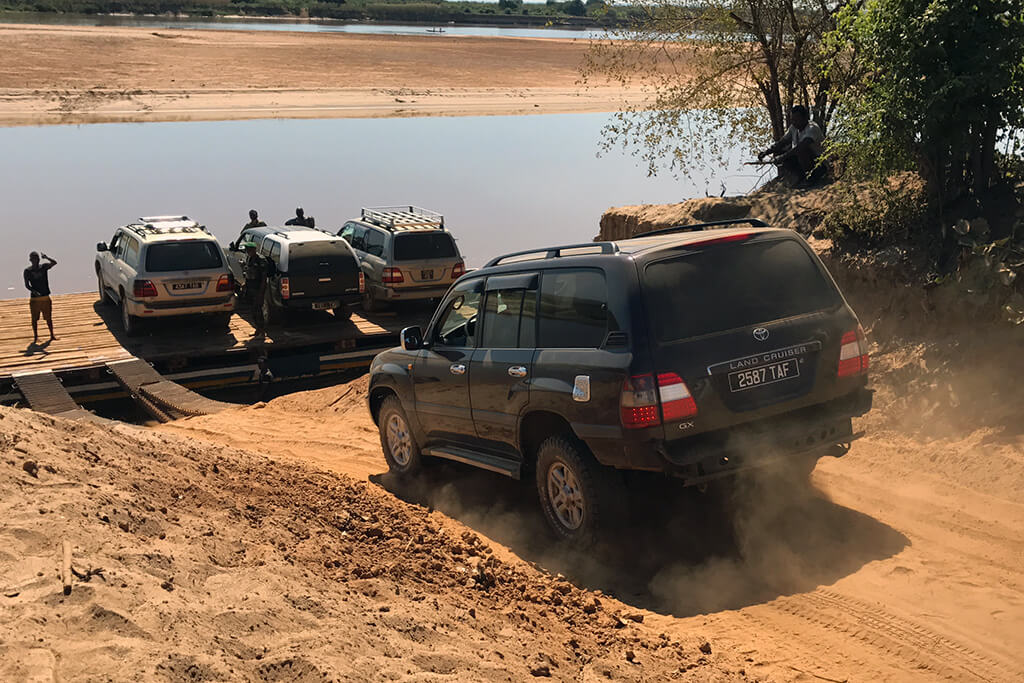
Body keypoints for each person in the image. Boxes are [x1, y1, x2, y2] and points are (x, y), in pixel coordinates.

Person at [758, 105, 826, 186]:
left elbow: (800, 148)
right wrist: (767, 152)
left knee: (801, 151)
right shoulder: (793, 128)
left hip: (819, 164)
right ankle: (798, 176)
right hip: (803, 161)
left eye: (797, 119)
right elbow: (782, 142)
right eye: (792, 119)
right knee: (779, 150)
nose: (794, 122)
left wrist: (782, 157)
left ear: (805, 118)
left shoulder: (812, 129)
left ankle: (811, 178)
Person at [24, 251, 57, 343]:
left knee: (48, 317)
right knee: (34, 318)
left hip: (45, 296)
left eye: (37, 259)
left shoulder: (43, 267)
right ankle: (36, 337)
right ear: (30, 260)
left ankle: (52, 335)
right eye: (33, 259)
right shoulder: (28, 271)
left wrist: (46, 257)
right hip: (35, 299)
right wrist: (34, 292)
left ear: (39, 259)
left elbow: (54, 263)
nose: (36, 261)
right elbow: (27, 285)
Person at [242, 241, 270, 337]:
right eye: (246, 250)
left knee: (258, 309)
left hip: (258, 288)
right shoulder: (249, 259)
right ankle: (258, 329)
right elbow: (248, 272)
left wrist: (261, 291)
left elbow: (264, 277)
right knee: (253, 310)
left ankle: (262, 330)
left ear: (254, 250)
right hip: (251, 288)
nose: (247, 251)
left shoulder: (260, 260)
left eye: (249, 250)